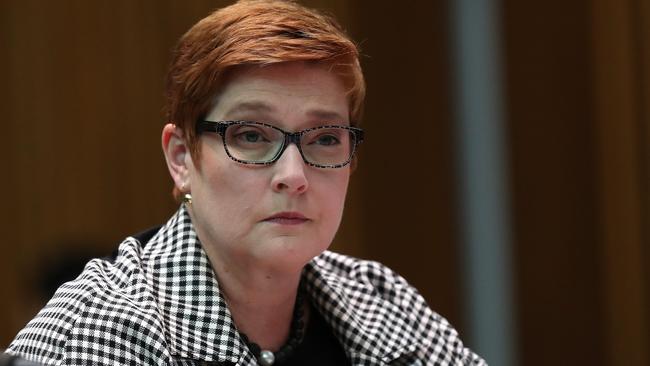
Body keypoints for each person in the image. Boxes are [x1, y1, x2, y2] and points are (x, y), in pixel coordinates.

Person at [6, 1, 487, 365]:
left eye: (324, 139)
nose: (294, 176)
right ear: (181, 158)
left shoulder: (382, 302)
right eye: (252, 136)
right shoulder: (96, 333)